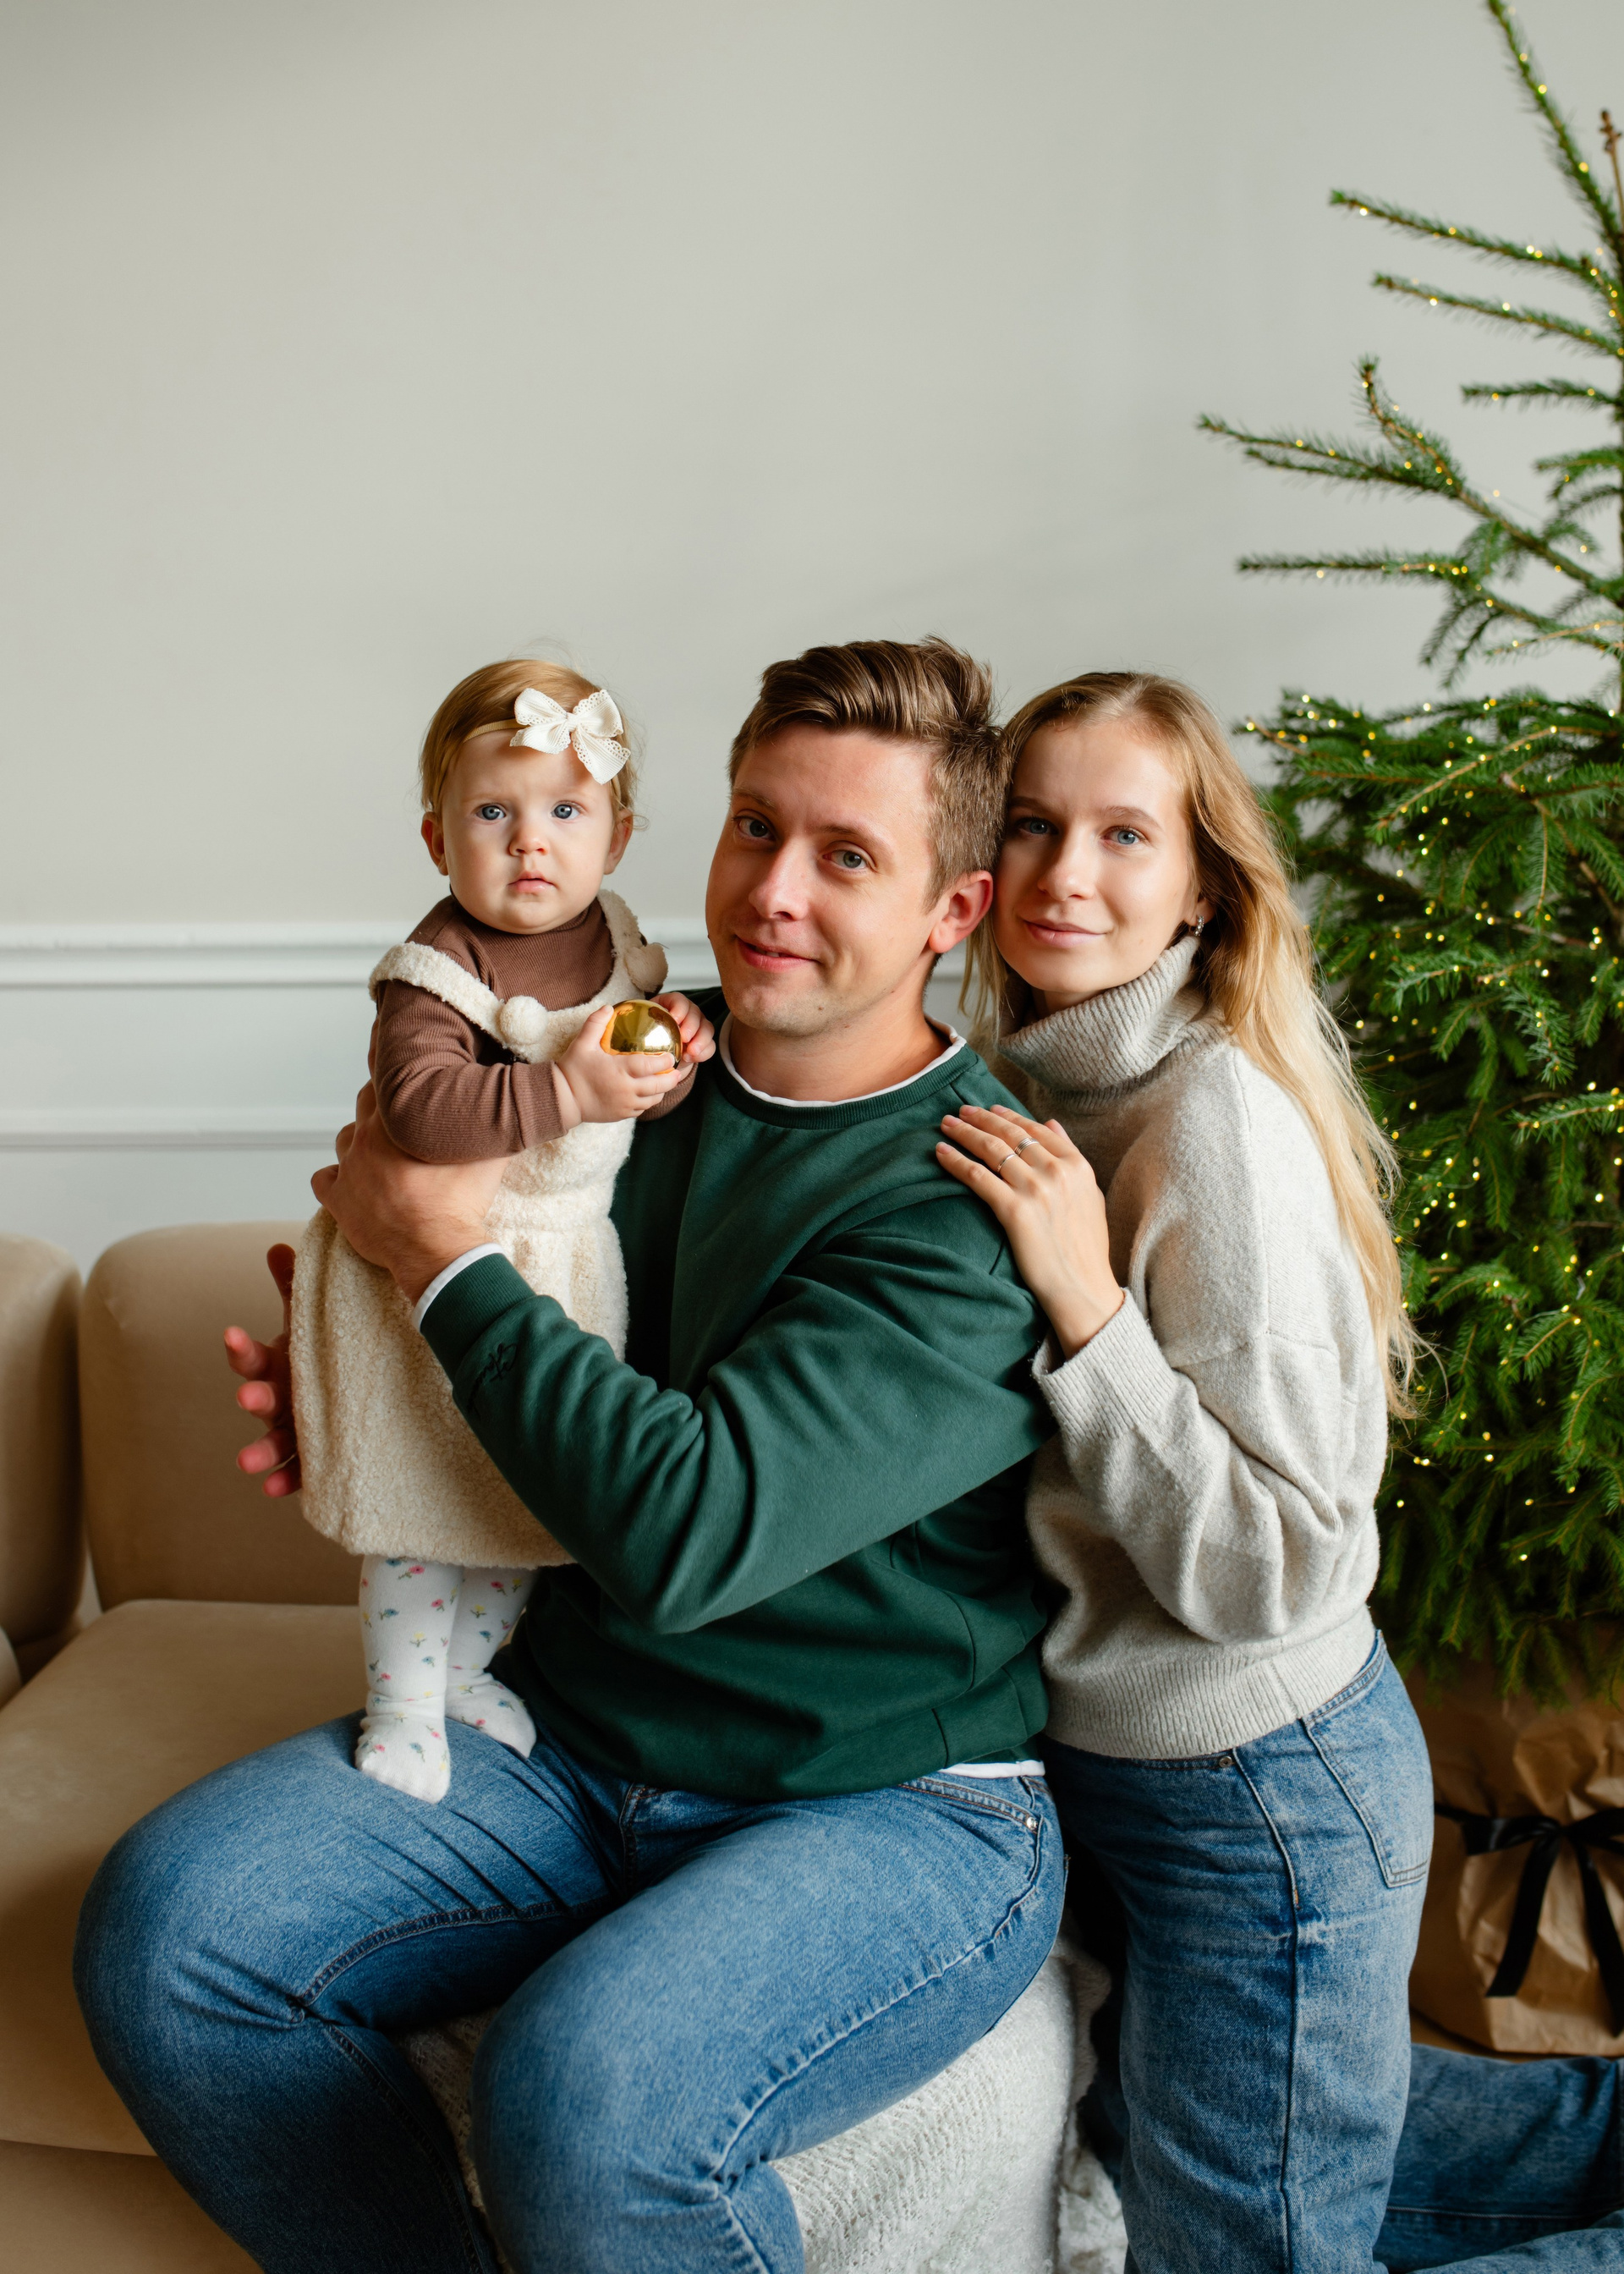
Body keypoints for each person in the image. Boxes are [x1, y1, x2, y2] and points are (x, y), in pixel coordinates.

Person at [73, 638, 1066, 2274]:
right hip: (573, 1735)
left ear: (951, 912)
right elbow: (459, 1269)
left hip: (886, 1804)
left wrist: (440, 1271)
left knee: (585, 2097)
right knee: (172, 1938)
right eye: (757, 826)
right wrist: (376, 1390)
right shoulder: (620, 1065)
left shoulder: (968, 1196)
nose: (774, 891)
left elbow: (686, 1529)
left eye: (849, 857)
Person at [936, 668, 1624, 2272]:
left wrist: (1091, 1312)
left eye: (1125, 834)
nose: (1066, 874)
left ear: (1201, 887)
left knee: (1242, 2244)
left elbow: (1283, 1561)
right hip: (1128, 1778)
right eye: (1032, 824)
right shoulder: (1032, 1080)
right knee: (1274, 2157)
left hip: (1257, 1787)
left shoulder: (1213, 1128)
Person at [288, 655, 711, 1803]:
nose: (532, 843)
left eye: (566, 812)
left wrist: (669, 1049)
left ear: (617, 838)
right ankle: (402, 1701)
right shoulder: (435, 972)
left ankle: (469, 1673)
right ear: (438, 840)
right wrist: (567, 1090)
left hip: (564, 1260)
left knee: (524, 1503)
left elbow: (630, 1067)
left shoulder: (615, 938)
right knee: (424, 1501)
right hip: (424, 1277)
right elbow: (423, 1113)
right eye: (493, 815)